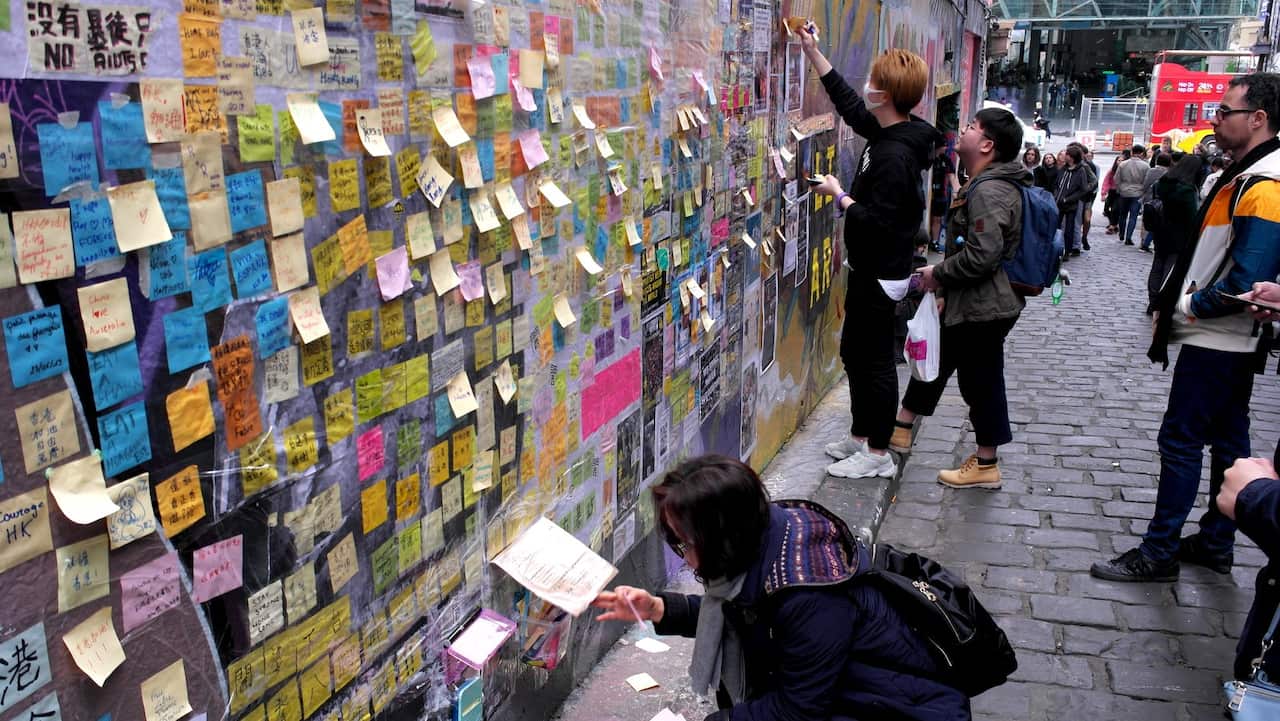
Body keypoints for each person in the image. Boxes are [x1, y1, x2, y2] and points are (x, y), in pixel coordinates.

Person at [592, 455, 972, 720]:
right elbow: (741, 616)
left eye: (686, 544)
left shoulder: (808, 598)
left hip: (897, 707)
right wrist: (659, 609)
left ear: (723, 539)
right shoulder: (767, 533)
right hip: (846, 688)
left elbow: (798, 711)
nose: (684, 556)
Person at [1092, 72, 1280, 582]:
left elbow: (1248, 279)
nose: (1214, 120)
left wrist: (1188, 306)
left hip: (1219, 339)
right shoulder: (1251, 175)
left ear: (1258, 119)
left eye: (1224, 111)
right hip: (1226, 339)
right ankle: (1217, 540)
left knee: (1181, 440)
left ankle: (1160, 550)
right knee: (1227, 439)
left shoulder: (1264, 184)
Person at [798, 27, 941, 480]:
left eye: (874, 82)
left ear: (885, 93)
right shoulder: (891, 130)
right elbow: (852, 108)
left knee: (875, 361)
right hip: (869, 268)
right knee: (855, 353)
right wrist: (814, 53)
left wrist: (840, 196)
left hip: (882, 273)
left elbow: (882, 222)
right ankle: (861, 436)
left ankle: (878, 453)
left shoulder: (895, 156)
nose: (867, 87)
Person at [890, 108, 1026, 489]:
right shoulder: (983, 183)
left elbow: (982, 255)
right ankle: (901, 427)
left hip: (986, 306)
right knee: (938, 355)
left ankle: (986, 464)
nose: (962, 130)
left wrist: (937, 275)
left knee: (981, 382)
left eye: (970, 127)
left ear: (986, 144)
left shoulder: (991, 190)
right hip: (969, 300)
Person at [1146, 154, 1200, 314]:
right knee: (1170, 269)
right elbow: (1191, 217)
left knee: (1157, 265)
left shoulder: (1165, 181)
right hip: (1179, 233)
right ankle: (1161, 302)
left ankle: (1153, 300)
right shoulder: (1187, 190)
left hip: (1161, 229)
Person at [1053, 145, 1095, 261]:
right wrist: (1056, 195)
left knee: (1069, 228)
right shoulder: (1063, 169)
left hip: (1071, 204)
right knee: (1056, 226)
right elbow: (1057, 184)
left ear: (1071, 157)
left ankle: (1068, 250)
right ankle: (1055, 248)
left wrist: (1069, 199)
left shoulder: (1081, 170)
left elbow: (1083, 189)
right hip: (1059, 202)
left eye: (1067, 154)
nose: (1065, 156)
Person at [1114, 144, 1149, 245]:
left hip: (1124, 192)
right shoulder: (1145, 166)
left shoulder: (1123, 164)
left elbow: (1116, 179)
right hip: (1137, 193)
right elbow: (1146, 181)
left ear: (1132, 152)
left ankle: (1121, 233)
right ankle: (1128, 237)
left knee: (1123, 215)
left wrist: (1120, 189)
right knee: (1133, 216)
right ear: (1142, 153)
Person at [1138, 153, 1172, 251]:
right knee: (1158, 221)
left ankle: (1143, 241)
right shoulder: (1169, 173)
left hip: (1149, 199)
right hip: (1162, 202)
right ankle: (1151, 242)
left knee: (1146, 221)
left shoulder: (1151, 171)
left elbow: (1145, 185)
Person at [930, 144, 960, 248]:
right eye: (943, 145)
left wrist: (957, 192)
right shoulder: (929, 157)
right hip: (928, 191)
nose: (945, 148)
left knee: (937, 219)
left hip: (940, 194)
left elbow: (952, 176)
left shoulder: (946, 160)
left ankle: (934, 242)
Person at [1102, 150, 1129, 234]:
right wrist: (1104, 193)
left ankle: (1112, 226)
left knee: (1115, 209)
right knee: (1106, 209)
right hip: (1112, 192)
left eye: (1122, 160)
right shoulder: (1112, 171)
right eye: (1119, 160)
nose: (1120, 162)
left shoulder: (1126, 171)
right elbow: (1106, 181)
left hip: (1120, 193)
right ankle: (1113, 223)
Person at [1080, 147, 1099, 249]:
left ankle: (1084, 237)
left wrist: (1089, 190)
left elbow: (1095, 181)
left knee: (1086, 219)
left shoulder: (1090, 166)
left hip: (1087, 197)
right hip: (1078, 197)